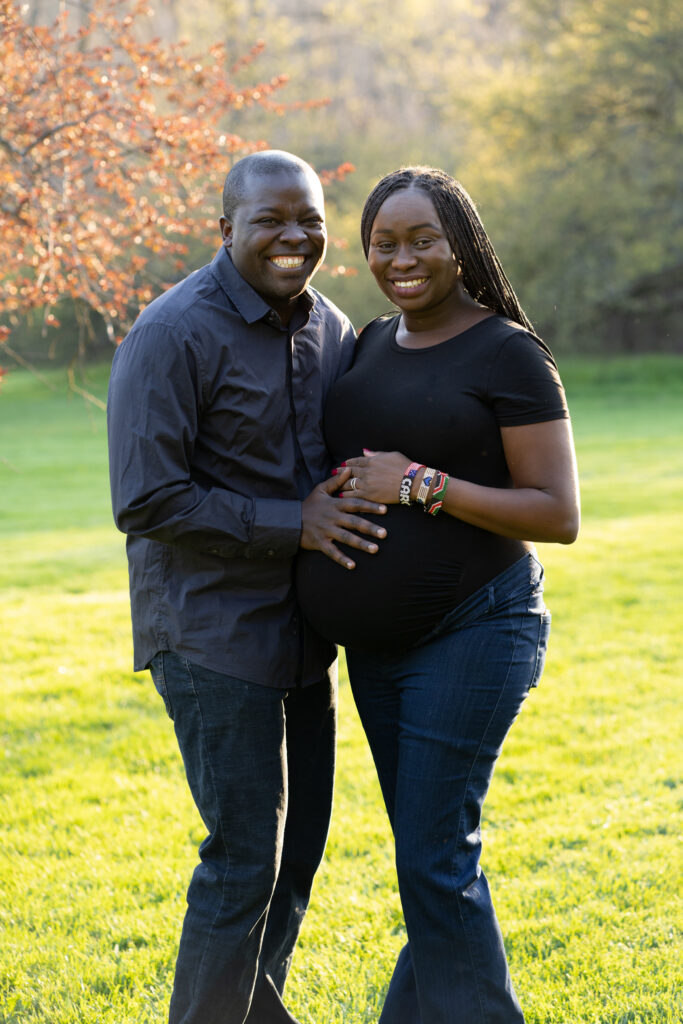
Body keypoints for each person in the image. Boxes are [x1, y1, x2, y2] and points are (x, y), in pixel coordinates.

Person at [107, 150, 387, 1024]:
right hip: (209, 633)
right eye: (269, 219)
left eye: (307, 218)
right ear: (224, 228)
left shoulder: (329, 327)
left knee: (295, 855)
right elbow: (145, 499)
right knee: (240, 863)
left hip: (301, 632)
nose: (293, 235)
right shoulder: (172, 332)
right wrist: (290, 523)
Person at [296, 166, 580, 1023]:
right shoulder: (370, 341)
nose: (402, 258)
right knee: (428, 856)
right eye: (384, 243)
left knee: (432, 857)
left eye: (422, 239)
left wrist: (418, 483)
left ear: (461, 246)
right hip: (375, 650)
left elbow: (555, 514)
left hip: (474, 628)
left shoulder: (507, 352)